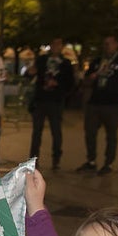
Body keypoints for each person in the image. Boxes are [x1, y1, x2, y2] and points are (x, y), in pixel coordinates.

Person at [77, 35, 118, 176]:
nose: (106, 46)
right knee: (90, 132)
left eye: (109, 44)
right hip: (95, 102)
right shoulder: (98, 61)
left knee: (111, 135)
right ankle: (91, 161)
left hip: (112, 103)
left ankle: (108, 163)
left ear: (116, 44)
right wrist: (90, 78)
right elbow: (86, 80)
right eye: (104, 44)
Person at [27, 37, 75, 170]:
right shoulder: (42, 60)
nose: (55, 47)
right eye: (53, 44)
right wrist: (31, 72)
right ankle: (33, 159)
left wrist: (58, 86)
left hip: (55, 100)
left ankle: (56, 158)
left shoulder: (65, 63)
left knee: (56, 131)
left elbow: (70, 83)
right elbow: (31, 73)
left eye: (58, 45)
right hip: (41, 99)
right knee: (37, 131)